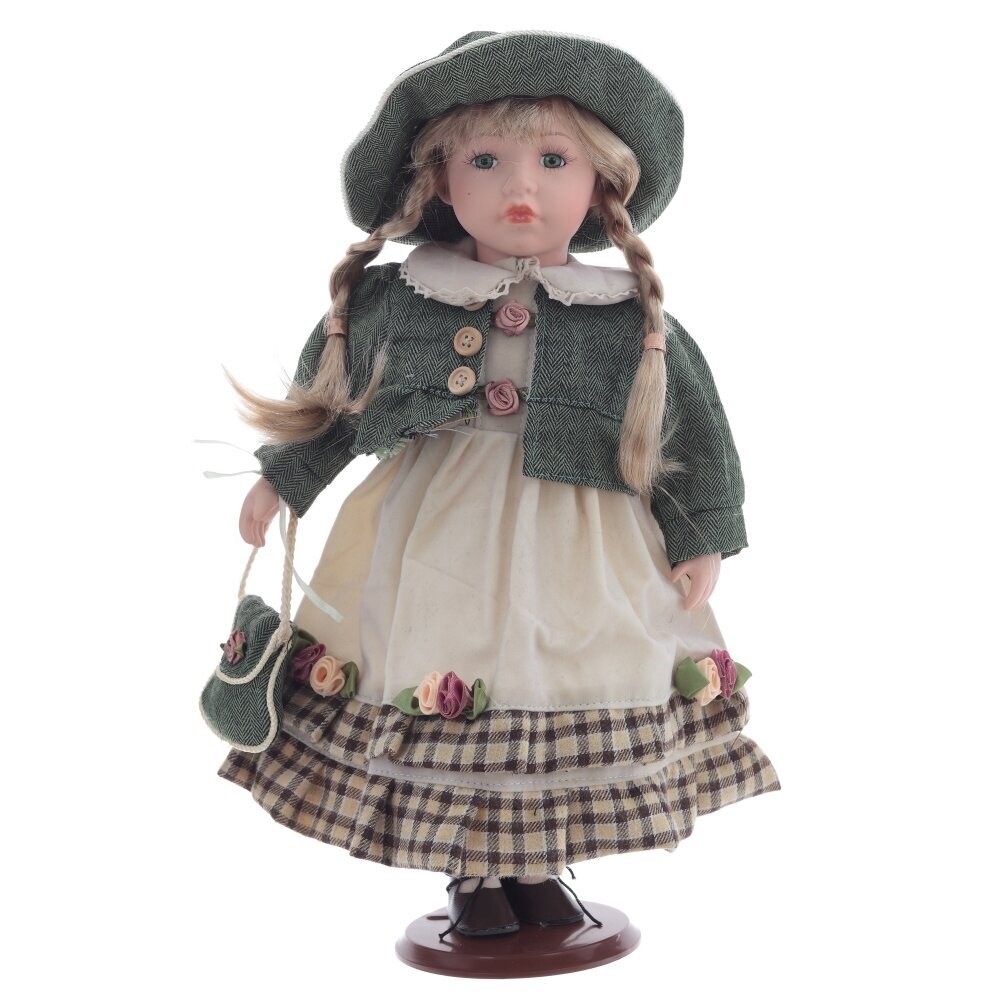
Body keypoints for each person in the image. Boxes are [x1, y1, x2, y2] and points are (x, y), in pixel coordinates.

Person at [215, 30, 780, 939]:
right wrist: (284, 481)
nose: (523, 188)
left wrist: (700, 532)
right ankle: (476, 875)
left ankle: (536, 865)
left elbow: (688, 432)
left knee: (556, 674)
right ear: (441, 181)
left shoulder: (628, 319)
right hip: (435, 535)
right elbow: (333, 404)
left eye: (554, 161)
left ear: (600, 183)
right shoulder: (401, 300)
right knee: (451, 666)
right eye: (487, 160)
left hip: (583, 545)